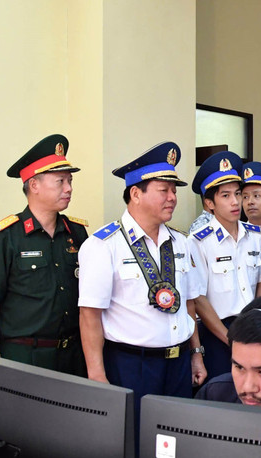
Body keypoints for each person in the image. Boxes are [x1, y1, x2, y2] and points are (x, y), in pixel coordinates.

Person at [78, 142, 206, 424]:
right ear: (136, 193)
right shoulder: (104, 246)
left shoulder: (181, 242)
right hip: (132, 365)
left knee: (176, 441)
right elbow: (90, 316)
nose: (173, 197)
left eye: (174, 191)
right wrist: (96, 374)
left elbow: (189, 303)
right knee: (134, 441)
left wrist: (196, 354)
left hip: (179, 363)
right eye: (164, 190)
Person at [0, 134, 88, 376]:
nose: (68, 188)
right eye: (60, 181)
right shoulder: (2, 238)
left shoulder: (76, 232)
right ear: (34, 185)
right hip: (25, 359)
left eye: (70, 181)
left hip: (74, 355)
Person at [188, 151, 261, 380]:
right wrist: (230, 339)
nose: (235, 202)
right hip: (218, 334)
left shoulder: (254, 235)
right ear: (209, 203)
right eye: (225, 196)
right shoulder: (198, 241)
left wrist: (258, 322)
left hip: (252, 329)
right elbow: (199, 299)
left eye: (238, 194)